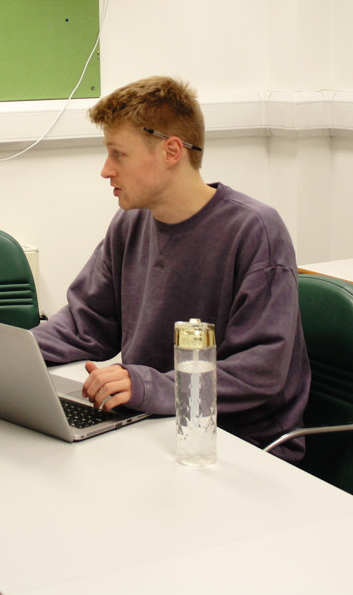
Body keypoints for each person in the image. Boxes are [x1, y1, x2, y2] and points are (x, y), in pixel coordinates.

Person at [32, 77, 311, 461]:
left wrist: (149, 386)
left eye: (118, 154)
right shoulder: (131, 224)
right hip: (155, 424)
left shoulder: (254, 230)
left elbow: (260, 371)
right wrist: (9, 351)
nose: (106, 170)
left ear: (171, 151)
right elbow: (86, 324)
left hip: (237, 444)